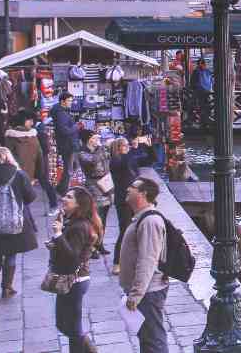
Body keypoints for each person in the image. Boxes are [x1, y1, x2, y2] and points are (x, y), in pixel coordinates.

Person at [0, 147, 36, 298]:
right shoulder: (19, 174)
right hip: (14, 222)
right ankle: (7, 287)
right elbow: (31, 197)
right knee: (11, 255)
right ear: (10, 158)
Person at [47, 188, 101, 353]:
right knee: (65, 324)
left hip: (74, 281)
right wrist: (55, 244)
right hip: (70, 280)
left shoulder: (79, 227)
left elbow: (72, 258)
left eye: (69, 197)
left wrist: (58, 235)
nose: (64, 199)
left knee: (72, 327)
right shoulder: (72, 222)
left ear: (79, 204)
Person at [118, 178, 168, 353]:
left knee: (153, 340)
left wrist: (136, 294)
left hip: (149, 292)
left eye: (132, 187)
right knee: (147, 340)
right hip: (144, 291)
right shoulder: (142, 218)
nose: (127, 189)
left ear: (143, 194)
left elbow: (147, 260)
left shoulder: (150, 221)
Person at [108, 136, 156, 273]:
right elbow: (123, 162)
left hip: (137, 200)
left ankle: (137, 260)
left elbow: (150, 160)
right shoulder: (116, 161)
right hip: (123, 200)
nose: (127, 147)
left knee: (140, 230)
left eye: (127, 145)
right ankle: (117, 262)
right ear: (117, 148)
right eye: (124, 145)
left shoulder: (130, 159)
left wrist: (148, 146)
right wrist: (133, 150)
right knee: (125, 230)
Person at [75, 130, 112, 258]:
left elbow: (108, 157)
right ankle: (92, 247)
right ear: (89, 139)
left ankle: (100, 244)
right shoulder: (82, 153)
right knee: (95, 218)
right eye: (95, 138)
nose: (98, 140)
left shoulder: (100, 149)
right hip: (93, 186)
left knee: (104, 217)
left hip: (106, 183)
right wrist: (101, 148)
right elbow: (93, 161)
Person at [4, 110, 46, 209]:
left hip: (12, 176)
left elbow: (6, 158)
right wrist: (38, 175)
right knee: (24, 205)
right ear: (24, 121)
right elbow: (40, 157)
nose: (32, 123)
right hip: (29, 177)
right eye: (30, 120)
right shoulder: (33, 137)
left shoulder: (10, 138)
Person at [51, 93, 81, 201]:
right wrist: (76, 127)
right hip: (68, 144)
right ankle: (65, 192)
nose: (71, 103)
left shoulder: (62, 111)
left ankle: (61, 188)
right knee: (69, 168)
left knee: (72, 166)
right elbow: (64, 130)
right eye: (69, 101)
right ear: (62, 101)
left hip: (68, 143)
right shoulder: (61, 114)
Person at [189, 59, 214, 126]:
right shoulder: (198, 72)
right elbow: (192, 83)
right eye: (202, 64)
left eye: (203, 64)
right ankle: (203, 121)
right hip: (202, 92)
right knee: (203, 107)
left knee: (206, 107)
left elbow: (192, 83)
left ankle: (205, 120)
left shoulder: (206, 71)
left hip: (205, 92)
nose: (203, 66)